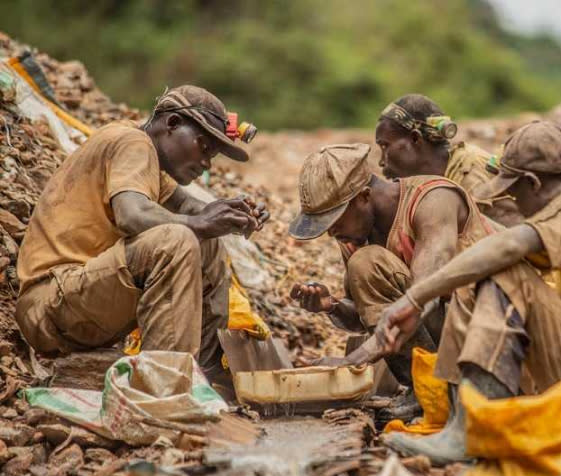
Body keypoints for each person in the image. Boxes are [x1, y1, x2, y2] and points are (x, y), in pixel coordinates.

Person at [375, 120, 561, 464]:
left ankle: (473, 431)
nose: (514, 202)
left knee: (503, 270)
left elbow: (507, 247)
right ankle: (461, 420)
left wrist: (413, 298)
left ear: (533, 183)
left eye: (515, 192)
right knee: (478, 270)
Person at [15, 85, 269, 390]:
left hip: (79, 304)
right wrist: (200, 222)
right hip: (51, 303)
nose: (206, 164)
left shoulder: (148, 163)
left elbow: (190, 207)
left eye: (211, 157)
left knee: (207, 238)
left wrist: (232, 214)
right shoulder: (133, 141)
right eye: (203, 147)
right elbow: (132, 215)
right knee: (178, 238)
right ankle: (164, 391)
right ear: (172, 124)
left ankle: (206, 373)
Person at [287, 143, 499, 400]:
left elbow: (423, 297)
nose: (331, 233)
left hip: (493, 334)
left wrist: (353, 361)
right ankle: (426, 392)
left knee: (367, 262)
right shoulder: (353, 236)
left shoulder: (433, 200)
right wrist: (331, 306)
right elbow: (370, 316)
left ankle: (448, 392)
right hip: (448, 339)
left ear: (364, 197)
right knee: (365, 263)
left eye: (334, 220)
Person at [375, 94, 523, 226]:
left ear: (415, 139)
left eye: (385, 146)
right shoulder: (438, 179)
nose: (382, 162)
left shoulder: (471, 177)